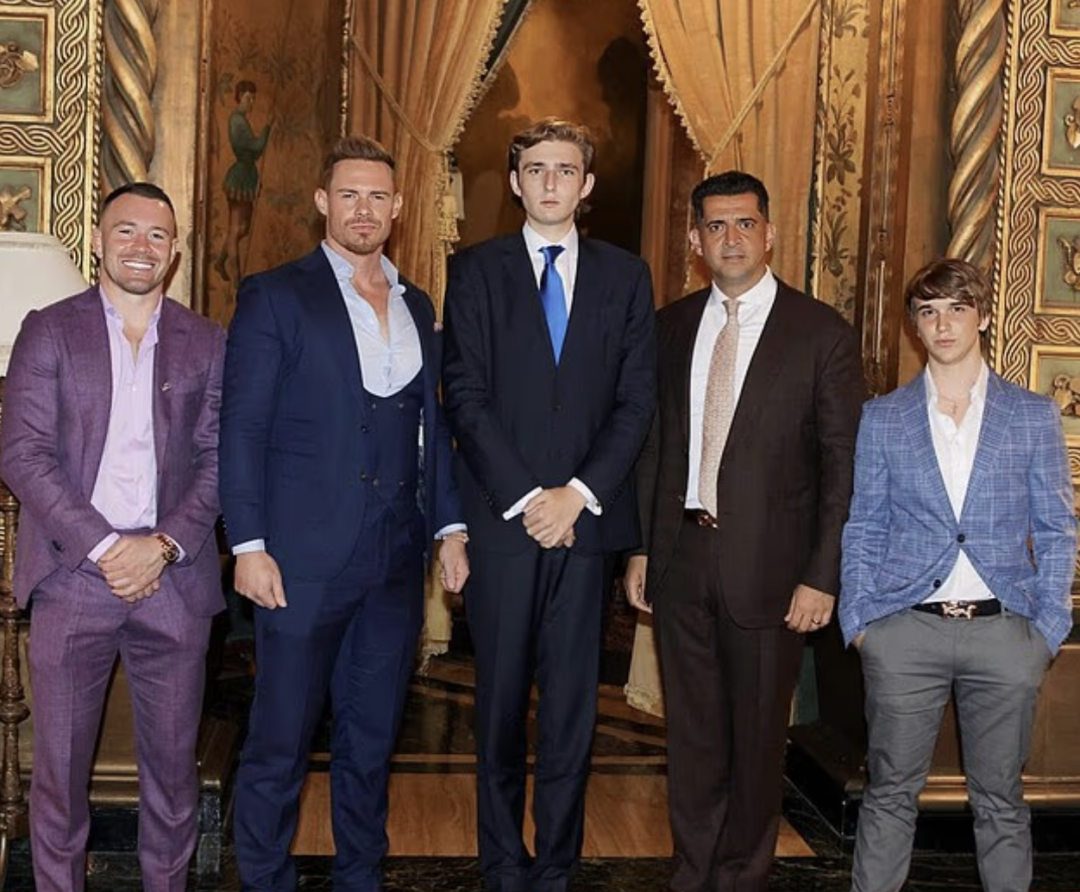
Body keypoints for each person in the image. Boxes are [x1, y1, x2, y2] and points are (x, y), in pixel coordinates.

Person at [220, 135, 469, 892]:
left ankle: (360, 875)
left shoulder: (418, 303)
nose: (364, 209)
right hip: (300, 560)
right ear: (323, 202)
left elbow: (430, 427)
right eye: (350, 195)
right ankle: (265, 880)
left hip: (395, 562)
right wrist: (248, 545)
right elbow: (242, 428)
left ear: (398, 208)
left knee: (371, 739)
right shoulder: (275, 294)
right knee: (279, 740)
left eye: (378, 197)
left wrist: (449, 528)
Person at [625, 171, 865, 892]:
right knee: (693, 738)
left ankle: (741, 877)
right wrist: (642, 547)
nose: (731, 238)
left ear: (770, 233)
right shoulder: (668, 327)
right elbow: (653, 446)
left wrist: (822, 575)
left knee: (758, 742)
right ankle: (692, 873)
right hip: (680, 557)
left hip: (774, 569)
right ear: (694, 240)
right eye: (716, 226)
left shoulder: (820, 333)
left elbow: (841, 466)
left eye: (745, 223)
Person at [441, 118, 656, 892]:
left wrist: (577, 496)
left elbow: (636, 400)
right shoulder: (475, 271)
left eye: (566, 170)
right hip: (505, 525)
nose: (551, 182)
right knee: (498, 705)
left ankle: (556, 868)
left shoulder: (626, 276)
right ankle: (503, 864)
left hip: (586, 529)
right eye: (536, 169)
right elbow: (464, 394)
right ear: (516, 181)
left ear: (586, 184)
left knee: (571, 712)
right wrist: (531, 498)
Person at [0, 182, 225, 892]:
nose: (141, 246)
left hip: (174, 580)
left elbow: (222, 459)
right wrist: (105, 547)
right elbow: (22, 454)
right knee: (59, 780)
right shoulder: (48, 330)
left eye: (157, 235)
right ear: (97, 241)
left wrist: (161, 546)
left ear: (175, 251)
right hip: (72, 577)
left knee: (173, 779)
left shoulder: (208, 341)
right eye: (125, 230)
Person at [839, 258, 1077, 892]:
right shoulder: (883, 417)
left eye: (957, 309)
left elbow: (1058, 527)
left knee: (1000, 799)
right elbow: (865, 524)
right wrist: (861, 622)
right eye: (928, 311)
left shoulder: (1031, 415)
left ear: (984, 317)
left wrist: (1048, 628)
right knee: (889, 793)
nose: (943, 324)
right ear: (915, 325)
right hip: (904, 631)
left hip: (1005, 633)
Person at [213, 79, 271, 284]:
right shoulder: (237, 121)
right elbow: (254, 147)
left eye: (253, 99)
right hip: (240, 177)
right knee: (236, 227)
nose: (251, 103)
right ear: (239, 97)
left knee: (242, 228)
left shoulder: (241, 120)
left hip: (247, 176)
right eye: (248, 98)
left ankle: (220, 261)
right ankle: (238, 279)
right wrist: (266, 130)